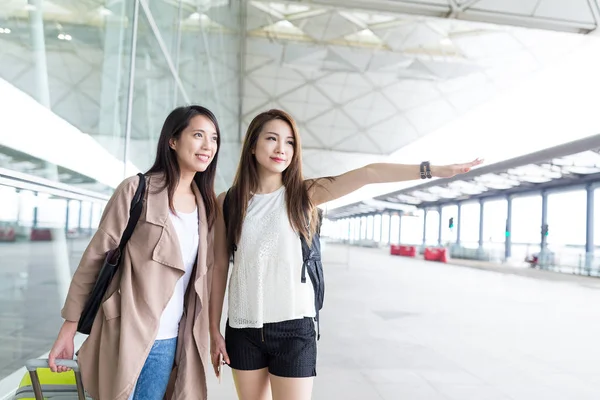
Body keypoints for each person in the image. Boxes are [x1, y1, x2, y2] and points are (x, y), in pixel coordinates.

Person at [208, 108, 483, 400]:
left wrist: (434, 170)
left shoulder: (303, 194)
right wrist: (213, 329)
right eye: (272, 139)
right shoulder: (229, 201)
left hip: (293, 330)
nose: (281, 149)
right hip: (243, 330)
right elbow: (219, 267)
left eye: (289, 142)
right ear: (252, 145)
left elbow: (369, 174)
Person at [48, 105, 221, 400]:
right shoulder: (136, 190)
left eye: (214, 138)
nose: (208, 146)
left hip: (169, 341)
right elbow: (94, 259)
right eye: (198, 135)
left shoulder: (206, 208)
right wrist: (69, 327)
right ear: (173, 140)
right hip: (125, 332)